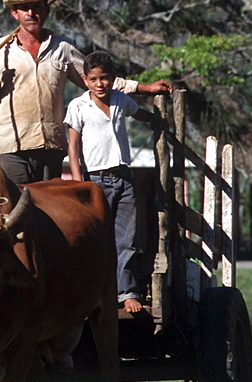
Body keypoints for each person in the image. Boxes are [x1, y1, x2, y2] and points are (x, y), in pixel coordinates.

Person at [0, 0, 172, 184]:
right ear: (15, 13)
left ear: (46, 10)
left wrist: (143, 87)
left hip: (50, 147)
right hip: (10, 148)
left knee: (48, 212)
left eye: (36, 7)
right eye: (25, 8)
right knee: (13, 210)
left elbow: (96, 78)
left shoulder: (62, 48)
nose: (31, 13)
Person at [64, 50, 172, 316]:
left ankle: (126, 293)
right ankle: (93, 292)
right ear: (85, 80)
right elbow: (73, 146)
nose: (100, 84)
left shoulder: (121, 100)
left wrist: (158, 120)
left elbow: (139, 115)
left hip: (123, 177)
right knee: (95, 238)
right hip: (94, 180)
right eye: (93, 79)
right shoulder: (78, 106)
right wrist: (79, 183)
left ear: (113, 78)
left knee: (126, 238)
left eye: (105, 78)